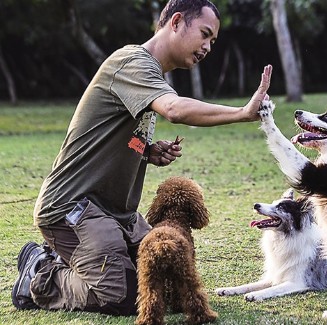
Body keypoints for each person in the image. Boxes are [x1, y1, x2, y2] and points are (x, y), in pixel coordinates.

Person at [12, 0, 272, 316]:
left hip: (117, 215)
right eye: (204, 35)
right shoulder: (131, 62)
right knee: (123, 294)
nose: (207, 47)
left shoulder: (150, 75)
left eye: (213, 42)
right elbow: (175, 110)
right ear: (176, 22)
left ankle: (80, 259)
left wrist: (146, 151)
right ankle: (40, 274)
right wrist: (242, 113)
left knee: (169, 280)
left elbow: (115, 134)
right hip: (71, 208)